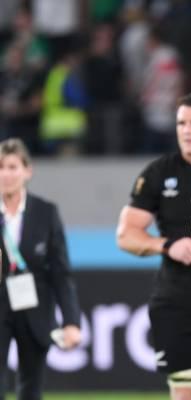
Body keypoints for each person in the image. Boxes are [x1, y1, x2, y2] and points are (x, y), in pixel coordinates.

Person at [116, 92, 191, 400]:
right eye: (181, 123)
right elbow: (126, 235)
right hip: (178, 299)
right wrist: (167, 245)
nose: (187, 130)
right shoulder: (159, 173)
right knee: (186, 394)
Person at [0, 138, 82, 400]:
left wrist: (71, 321)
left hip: (35, 308)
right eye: (0, 167)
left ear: (27, 171)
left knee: (31, 388)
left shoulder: (45, 213)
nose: (6, 174)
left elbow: (60, 271)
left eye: (12, 167)